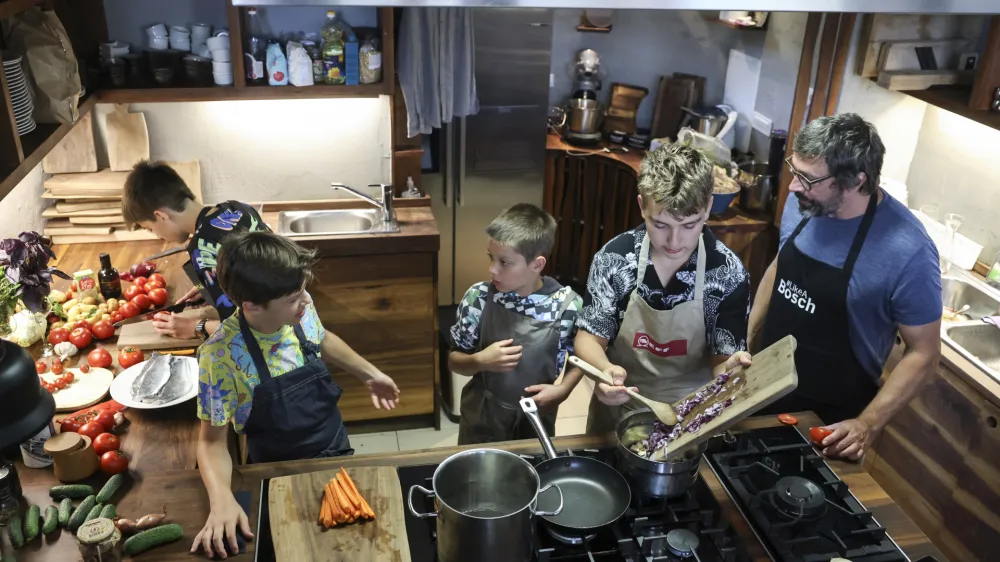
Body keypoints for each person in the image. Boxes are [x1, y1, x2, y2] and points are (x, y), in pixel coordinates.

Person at [190, 231, 400, 559]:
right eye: (293, 298)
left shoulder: (299, 308)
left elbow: (322, 338)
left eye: (303, 291)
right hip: (275, 471)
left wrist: (369, 374)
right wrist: (221, 500)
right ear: (251, 306)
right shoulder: (220, 357)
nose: (306, 302)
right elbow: (211, 443)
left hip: (334, 448)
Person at [748, 113, 941, 460]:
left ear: (856, 181)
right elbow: (779, 267)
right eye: (795, 171)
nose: (793, 187)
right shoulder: (803, 202)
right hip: (760, 390)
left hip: (830, 424)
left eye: (808, 179)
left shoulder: (908, 250)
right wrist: (745, 339)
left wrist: (868, 424)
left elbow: (924, 353)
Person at [575, 144, 752, 434]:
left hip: (691, 418)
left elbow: (722, 362)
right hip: (620, 409)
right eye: (660, 224)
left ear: (708, 207)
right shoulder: (615, 259)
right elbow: (589, 338)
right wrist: (603, 372)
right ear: (642, 205)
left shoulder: (727, 273)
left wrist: (730, 369)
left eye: (689, 225)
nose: (674, 241)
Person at [449, 203, 584, 444]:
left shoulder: (568, 307)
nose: (492, 269)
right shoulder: (479, 298)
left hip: (536, 421)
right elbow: (454, 361)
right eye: (491, 257)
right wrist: (479, 361)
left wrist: (563, 390)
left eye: (504, 262)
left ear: (537, 264)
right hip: (482, 419)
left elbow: (581, 360)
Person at [122, 160, 269, 340]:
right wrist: (217, 285)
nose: (158, 236)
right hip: (297, 317)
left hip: (277, 345)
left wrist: (195, 327)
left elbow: (245, 327)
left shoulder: (202, 248)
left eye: (150, 229)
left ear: (160, 215)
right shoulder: (239, 208)